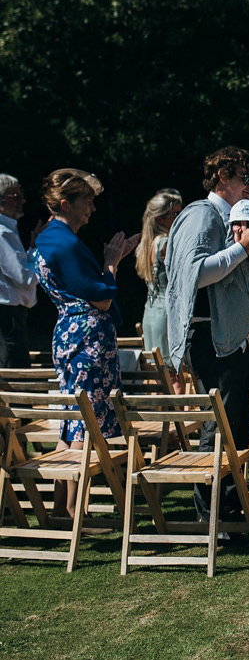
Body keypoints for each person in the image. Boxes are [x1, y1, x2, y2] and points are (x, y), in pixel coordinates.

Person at [166, 146, 249, 525]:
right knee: (220, 429)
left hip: (242, 340)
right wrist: (242, 247)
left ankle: (231, 508)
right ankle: (212, 515)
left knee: (239, 427)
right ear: (222, 177)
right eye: (244, 178)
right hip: (215, 342)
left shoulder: (236, 217)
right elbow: (195, 274)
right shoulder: (202, 215)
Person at [32, 169, 139, 516]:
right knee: (84, 419)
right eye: (87, 200)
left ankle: (63, 508)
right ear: (66, 204)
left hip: (68, 333)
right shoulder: (65, 243)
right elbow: (102, 299)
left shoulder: (48, 238)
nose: (92, 207)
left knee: (71, 415)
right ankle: (76, 512)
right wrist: (112, 262)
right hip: (87, 337)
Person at [135, 188, 183, 371]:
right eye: (176, 214)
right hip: (167, 315)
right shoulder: (165, 243)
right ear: (160, 219)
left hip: (150, 313)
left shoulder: (144, 246)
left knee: (158, 376)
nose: (180, 218)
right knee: (173, 375)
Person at [0, 174, 40, 368]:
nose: (21, 200)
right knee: (16, 380)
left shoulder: (6, 231)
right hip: (8, 317)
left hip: (10, 316)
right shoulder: (2, 233)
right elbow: (25, 278)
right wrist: (38, 253)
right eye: (15, 196)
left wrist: (32, 248)